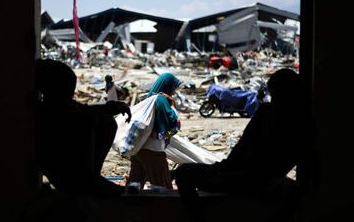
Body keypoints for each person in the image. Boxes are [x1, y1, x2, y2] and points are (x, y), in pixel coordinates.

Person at [175, 68, 309, 219]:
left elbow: (245, 148)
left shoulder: (280, 117)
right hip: (248, 177)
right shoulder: (284, 117)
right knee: (184, 172)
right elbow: (243, 147)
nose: (275, 101)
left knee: (183, 172)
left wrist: (226, 168)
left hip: (252, 180)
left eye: (277, 95)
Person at [35, 59, 132, 196]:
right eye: (67, 90)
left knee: (105, 120)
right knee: (90, 120)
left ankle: (92, 176)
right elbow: (81, 113)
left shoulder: (64, 106)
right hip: (62, 169)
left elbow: (83, 108)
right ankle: (88, 179)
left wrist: (108, 108)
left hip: (74, 168)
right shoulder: (47, 112)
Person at [127, 73, 181, 190]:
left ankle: (129, 207)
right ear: (168, 86)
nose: (174, 91)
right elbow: (174, 124)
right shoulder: (161, 100)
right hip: (153, 150)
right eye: (174, 87)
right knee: (163, 186)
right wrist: (172, 105)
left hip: (138, 148)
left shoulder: (149, 99)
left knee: (134, 184)